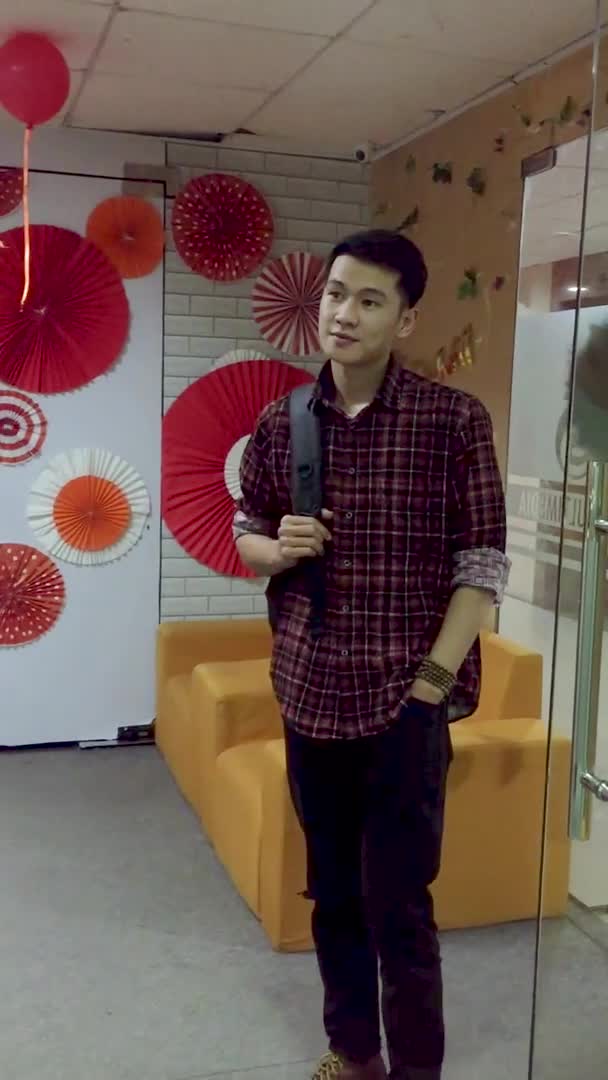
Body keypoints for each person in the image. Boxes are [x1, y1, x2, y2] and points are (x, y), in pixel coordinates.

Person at [233, 229, 510, 1080]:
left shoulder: (452, 421)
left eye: (368, 300)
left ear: (405, 320)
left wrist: (431, 685)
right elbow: (245, 531)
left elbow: (482, 565)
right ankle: (354, 1053)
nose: (343, 314)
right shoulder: (283, 421)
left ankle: (416, 1068)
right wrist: (278, 549)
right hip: (308, 691)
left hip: (404, 703)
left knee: (401, 907)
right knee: (333, 895)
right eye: (334, 293)